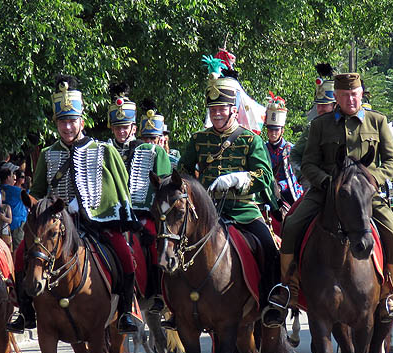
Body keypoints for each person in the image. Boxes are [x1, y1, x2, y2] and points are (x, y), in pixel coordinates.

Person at [7, 75, 139, 334]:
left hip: (94, 223)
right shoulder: (48, 154)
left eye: (71, 121)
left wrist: (90, 205)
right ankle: (25, 312)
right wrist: (47, 207)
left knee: (124, 255)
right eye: (62, 122)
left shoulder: (104, 151)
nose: (67, 128)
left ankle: (125, 312)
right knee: (22, 254)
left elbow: (118, 189)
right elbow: (38, 192)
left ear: (81, 121)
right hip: (57, 226)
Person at [274, 72, 393, 321]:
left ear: (361, 95)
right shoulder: (320, 125)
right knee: (291, 224)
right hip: (325, 192)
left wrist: (372, 180)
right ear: (336, 97)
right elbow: (308, 162)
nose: (351, 99)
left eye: (355, 94)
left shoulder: (377, 121)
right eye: (345, 95)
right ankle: (287, 286)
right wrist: (326, 182)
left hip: (364, 192)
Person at [171, 55, 280, 329]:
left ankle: (271, 303)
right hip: (206, 213)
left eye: (222, 108)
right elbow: (182, 173)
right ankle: (173, 306)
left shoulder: (250, 139)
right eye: (213, 109)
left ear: (234, 109)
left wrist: (237, 179)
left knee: (268, 246)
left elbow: (264, 177)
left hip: (242, 210)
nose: (217, 113)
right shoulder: (198, 140)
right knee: (171, 245)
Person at [127, 99, 172, 325]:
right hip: (128, 213)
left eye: (153, 138)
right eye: (146, 139)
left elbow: (163, 186)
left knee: (157, 245)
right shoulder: (129, 152)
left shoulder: (161, 155)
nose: (150, 143)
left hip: (152, 214)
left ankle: (159, 293)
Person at [290, 63, 337, 186]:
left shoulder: (346, 127)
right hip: (318, 184)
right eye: (318, 105)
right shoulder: (312, 128)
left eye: (324, 105)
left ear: (335, 106)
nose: (320, 109)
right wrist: (305, 177)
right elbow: (295, 154)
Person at [264, 93, 303, 207]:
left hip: (288, 193)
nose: (273, 133)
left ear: (282, 130)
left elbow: (294, 177)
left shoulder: (290, 149)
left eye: (276, 130)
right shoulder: (263, 148)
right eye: (271, 130)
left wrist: (280, 186)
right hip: (266, 192)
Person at [106, 82, 139, 160]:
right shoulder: (105, 150)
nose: (121, 131)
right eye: (117, 127)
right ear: (112, 129)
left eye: (125, 127)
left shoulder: (142, 149)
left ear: (134, 128)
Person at [0, 167, 28, 250]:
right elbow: (29, 197)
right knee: (17, 249)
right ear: (8, 177)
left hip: (3, 225)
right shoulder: (16, 191)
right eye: (12, 177)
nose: (13, 179)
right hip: (17, 223)